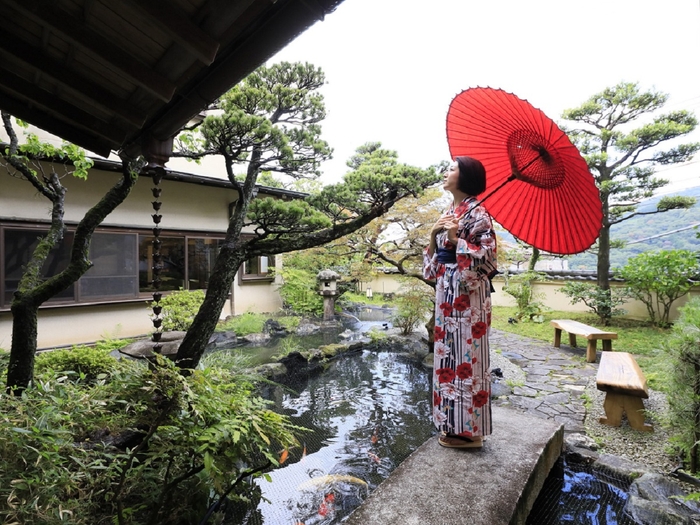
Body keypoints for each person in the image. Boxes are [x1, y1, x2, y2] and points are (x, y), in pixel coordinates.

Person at [423, 156, 498, 449]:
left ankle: (471, 433)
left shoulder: (479, 215)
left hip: (468, 297)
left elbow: (488, 258)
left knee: (468, 361)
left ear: (465, 177)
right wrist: (434, 234)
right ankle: (452, 426)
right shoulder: (450, 212)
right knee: (447, 360)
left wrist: (457, 241)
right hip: (446, 295)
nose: (445, 172)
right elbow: (432, 268)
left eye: (452, 169)